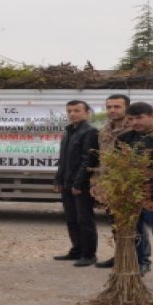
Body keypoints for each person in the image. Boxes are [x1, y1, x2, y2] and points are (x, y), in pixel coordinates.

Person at [116, 102, 153, 277]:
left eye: (139, 118)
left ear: (152, 116)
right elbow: (116, 165)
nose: (135, 122)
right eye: (131, 119)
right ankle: (140, 263)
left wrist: (151, 185)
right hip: (130, 193)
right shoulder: (124, 138)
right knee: (134, 231)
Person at [52, 100, 99, 266]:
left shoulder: (90, 132)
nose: (72, 114)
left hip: (80, 185)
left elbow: (89, 160)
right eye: (69, 111)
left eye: (77, 110)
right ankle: (76, 250)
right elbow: (63, 159)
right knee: (71, 219)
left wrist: (79, 184)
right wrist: (58, 179)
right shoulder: (68, 131)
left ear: (86, 113)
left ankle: (89, 254)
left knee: (84, 219)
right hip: (67, 183)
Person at [92, 94, 131, 269]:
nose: (112, 110)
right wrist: (97, 182)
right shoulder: (104, 130)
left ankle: (138, 261)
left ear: (126, 108)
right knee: (115, 223)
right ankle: (119, 256)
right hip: (109, 184)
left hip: (129, 184)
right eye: (109, 107)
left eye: (117, 107)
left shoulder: (133, 129)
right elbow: (103, 159)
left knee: (132, 226)